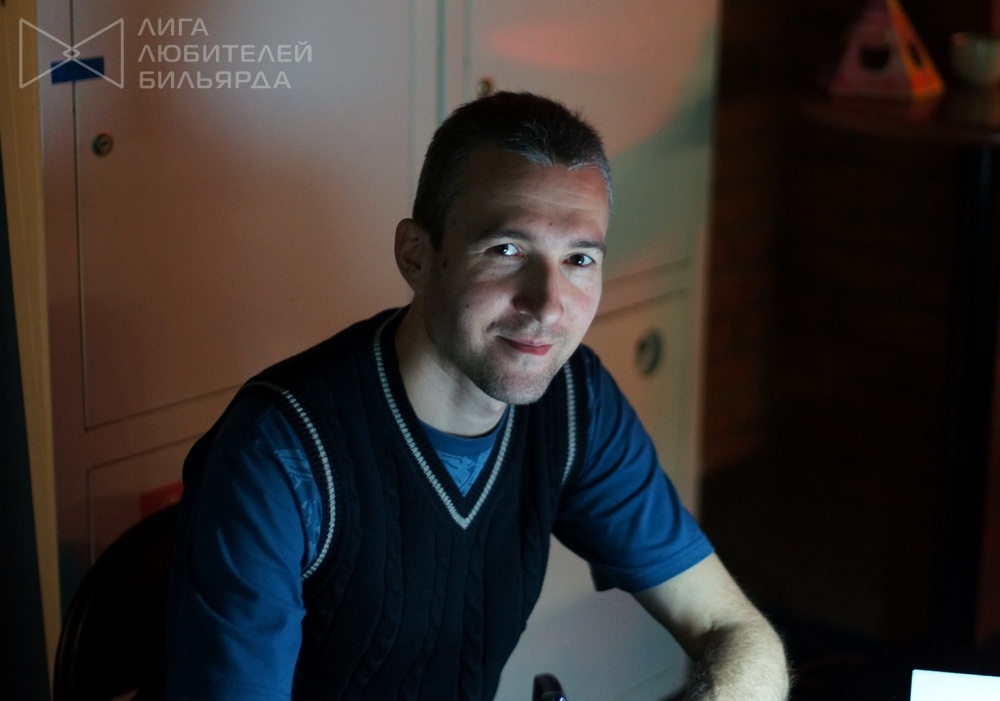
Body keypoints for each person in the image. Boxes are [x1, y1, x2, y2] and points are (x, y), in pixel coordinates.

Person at [164, 91, 789, 701]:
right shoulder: (279, 453)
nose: (548, 306)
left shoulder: (575, 399)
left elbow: (737, 633)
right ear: (417, 256)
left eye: (578, 259)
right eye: (507, 250)